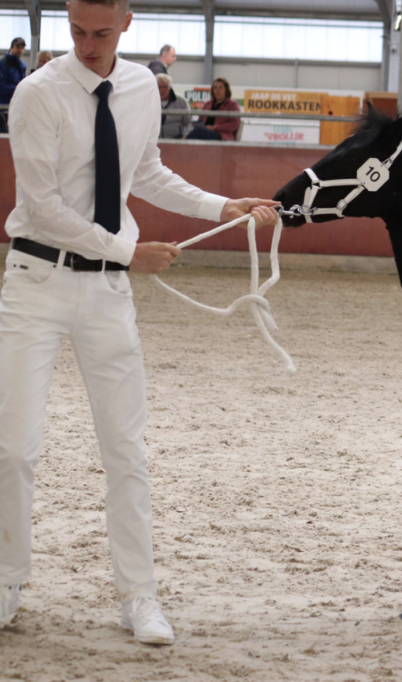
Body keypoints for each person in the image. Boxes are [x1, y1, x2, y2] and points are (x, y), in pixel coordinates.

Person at [0, 0, 278, 645]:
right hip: (35, 283)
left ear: (126, 22)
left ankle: (138, 595)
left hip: (106, 293)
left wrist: (220, 206)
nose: (88, 44)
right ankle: (6, 579)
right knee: (13, 447)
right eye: (77, 31)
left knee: (125, 449)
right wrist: (129, 252)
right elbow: (41, 206)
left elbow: (145, 171)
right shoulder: (38, 94)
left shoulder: (140, 89)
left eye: (101, 32)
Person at [185, 77, 240, 141]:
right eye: (215, 87)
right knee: (192, 132)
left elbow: (234, 124)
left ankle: (182, 145)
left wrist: (215, 127)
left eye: (221, 87)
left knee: (196, 132)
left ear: (226, 90)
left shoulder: (232, 104)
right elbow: (200, 119)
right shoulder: (207, 104)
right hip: (205, 132)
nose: (217, 90)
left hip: (222, 135)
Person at [1, 37, 28, 133]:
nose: (20, 50)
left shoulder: (22, 65)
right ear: (11, 48)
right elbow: (1, 87)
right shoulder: (2, 64)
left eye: (22, 47)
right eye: (17, 47)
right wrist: (19, 89)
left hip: (17, 105)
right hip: (4, 105)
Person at [156, 72, 190, 139]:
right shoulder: (149, 100)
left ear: (170, 87)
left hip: (177, 139)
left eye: (164, 87)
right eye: (158, 87)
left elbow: (189, 121)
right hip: (154, 139)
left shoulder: (181, 101)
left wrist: (185, 136)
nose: (161, 90)